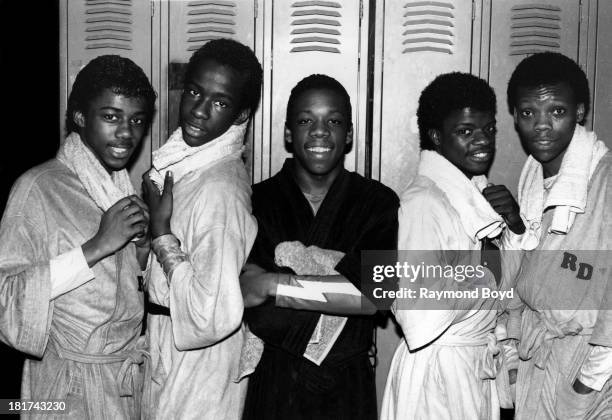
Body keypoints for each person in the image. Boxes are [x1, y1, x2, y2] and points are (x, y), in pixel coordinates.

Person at [0, 55, 156, 418]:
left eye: (136, 120)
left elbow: (124, 289)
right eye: (111, 117)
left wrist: (144, 248)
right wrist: (97, 246)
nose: (126, 133)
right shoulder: (38, 188)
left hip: (121, 385)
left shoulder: (118, 188)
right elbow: (5, 298)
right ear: (80, 117)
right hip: (59, 390)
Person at [239, 74, 399, 420]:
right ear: (288, 133)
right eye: (305, 120)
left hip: (347, 389)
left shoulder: (377, 202)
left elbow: (376, 296)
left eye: (334, 121)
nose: (320, 131)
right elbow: (259, 313)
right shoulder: (257, 201)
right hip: (275, 386)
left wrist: (272, 283)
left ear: (349, 134)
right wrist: (343, 291)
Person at [380, 72, 525, 420]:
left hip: (470, 367)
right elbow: (417, 309)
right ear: (435, 136)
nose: (482, 141)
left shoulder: (474, 196)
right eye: (465, 131)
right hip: (437, 376)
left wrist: (514, 227)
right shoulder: (425, 202)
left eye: (488, 129)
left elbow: (511, 291)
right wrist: (486, 274)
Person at [141, 38, 262, 419]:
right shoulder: (189, 165)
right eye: (194, 91)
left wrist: (161, 234)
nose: (199, 110)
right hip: (174, 348)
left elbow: (211, 313)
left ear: (241, 115)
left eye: (220, 102)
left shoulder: (219, 189)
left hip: (198, 364)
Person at [506, 52, 612, 420]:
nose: (542, 125)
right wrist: (512, 348)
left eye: (556, 110)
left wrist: (588, 382)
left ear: (580, 112)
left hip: (587, 365)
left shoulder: (604, 180)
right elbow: (525, 272)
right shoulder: (533, 177)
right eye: (528, 112)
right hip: (540, 355)